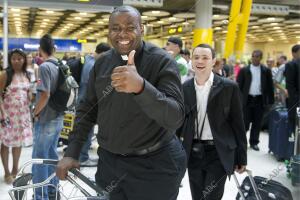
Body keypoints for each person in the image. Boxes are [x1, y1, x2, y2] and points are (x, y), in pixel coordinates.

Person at [56, 5, 186, 200]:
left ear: (142, 29)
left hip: (155, 167)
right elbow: (87, 109)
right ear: (109, 32)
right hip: (110, 165)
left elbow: (175, 117)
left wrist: (141, 87)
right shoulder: (102, 63)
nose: (122, 34)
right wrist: (72, 151)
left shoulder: (161, 61)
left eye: (130, 27)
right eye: (115, 28)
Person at [177, 44, 247, 200]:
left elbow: (238, 124)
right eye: (196, 57)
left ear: (213, 61)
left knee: (211, 196)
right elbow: (179, 123)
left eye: (205, 58)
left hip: (218, 152)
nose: (200, 61)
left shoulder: (229, 87)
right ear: (191, 61)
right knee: (197, 195)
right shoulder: (184, 88)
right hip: (193, 151)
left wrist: (241, 157)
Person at [32, 34, 64, 200]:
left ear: (40, 49)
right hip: (58, 117)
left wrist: (35, 112)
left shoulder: (45, 67)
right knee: (51, 156)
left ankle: (40, 196)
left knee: (39, 159)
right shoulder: (59, 65)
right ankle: (52, 191)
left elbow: (45, 94)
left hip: (46, 119)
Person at [0, 49, 33, 184]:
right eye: (14, 58)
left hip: (22, 116)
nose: (17, 61)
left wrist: (29, 96)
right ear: (10, 60)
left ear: (24, 60)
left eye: (20, 58)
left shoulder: (27, 74)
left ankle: (15, 170)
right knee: (6, 144)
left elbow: (28, 92)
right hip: (7, 116)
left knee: (18, 143)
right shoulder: (5, 75)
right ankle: (7, 172)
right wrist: (2, 114)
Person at [78, 42, 111, 165]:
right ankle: (82, 157)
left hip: (83, 99)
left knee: (87, 130)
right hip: (87, 102)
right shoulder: (93, 65)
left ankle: (83, 155)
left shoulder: (87, 60)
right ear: (102, 53)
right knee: (86, 130)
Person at [237, 50, 274, 151]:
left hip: (259, 100)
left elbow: (270, 87)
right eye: (253, 56)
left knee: (257, 123)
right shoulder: (244, 70)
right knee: (244, 122)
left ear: (261, 58)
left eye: (257, 56)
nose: (254, 58)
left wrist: (270, 101)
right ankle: (241, 142)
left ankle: (254, 142)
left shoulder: (266, 71)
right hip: (247, 100)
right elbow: (238, 86)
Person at [285, 44, 300, 136]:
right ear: (294, 53)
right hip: (295, 101)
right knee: (295, 124)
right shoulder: (291, 65)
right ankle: (294, 146)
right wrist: (296, 100)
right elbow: (290, 85)